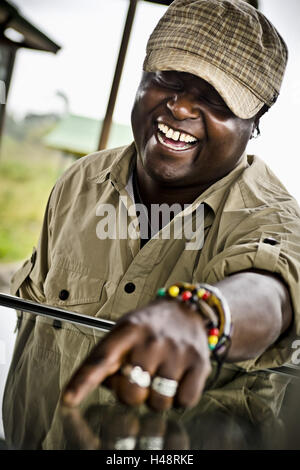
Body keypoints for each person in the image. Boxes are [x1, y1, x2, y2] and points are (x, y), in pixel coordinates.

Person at [3, 0, 300, 450]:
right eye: (168, 79)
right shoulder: (79, 182)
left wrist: (203, 314)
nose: (180, 107)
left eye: (216, 98)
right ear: (142, 77)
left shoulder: (273, 218)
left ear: (254, 122)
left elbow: (274, 292)